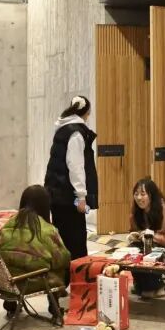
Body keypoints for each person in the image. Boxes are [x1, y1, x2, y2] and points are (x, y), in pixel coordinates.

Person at [0, 185, 70, 317]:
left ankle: (10, 303)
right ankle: (54, 305)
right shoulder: (48, 229)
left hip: (5, 282)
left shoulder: (9, 224)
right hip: (33, 282)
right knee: (60, 269)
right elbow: (63, 258)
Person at [44, 96, 98, 265]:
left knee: (61, 239)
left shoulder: (62, 128)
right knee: (75, 240)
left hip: (56, 194)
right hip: (69, 197)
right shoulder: (76, 133)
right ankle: (76, 276)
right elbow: (76, 167)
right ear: (86, 113)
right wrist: (81, 196)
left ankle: (63, 275)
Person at [126, 178, 165, 299]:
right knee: (132, 250)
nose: (139, 198)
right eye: (136, 194)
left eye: (143, 194)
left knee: (149, 250)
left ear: (151, 195)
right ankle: (141, 284)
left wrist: (154, 236)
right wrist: (133, 236)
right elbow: (134, 231)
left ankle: (154, 286)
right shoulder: (135, 213)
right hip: (146, 246)